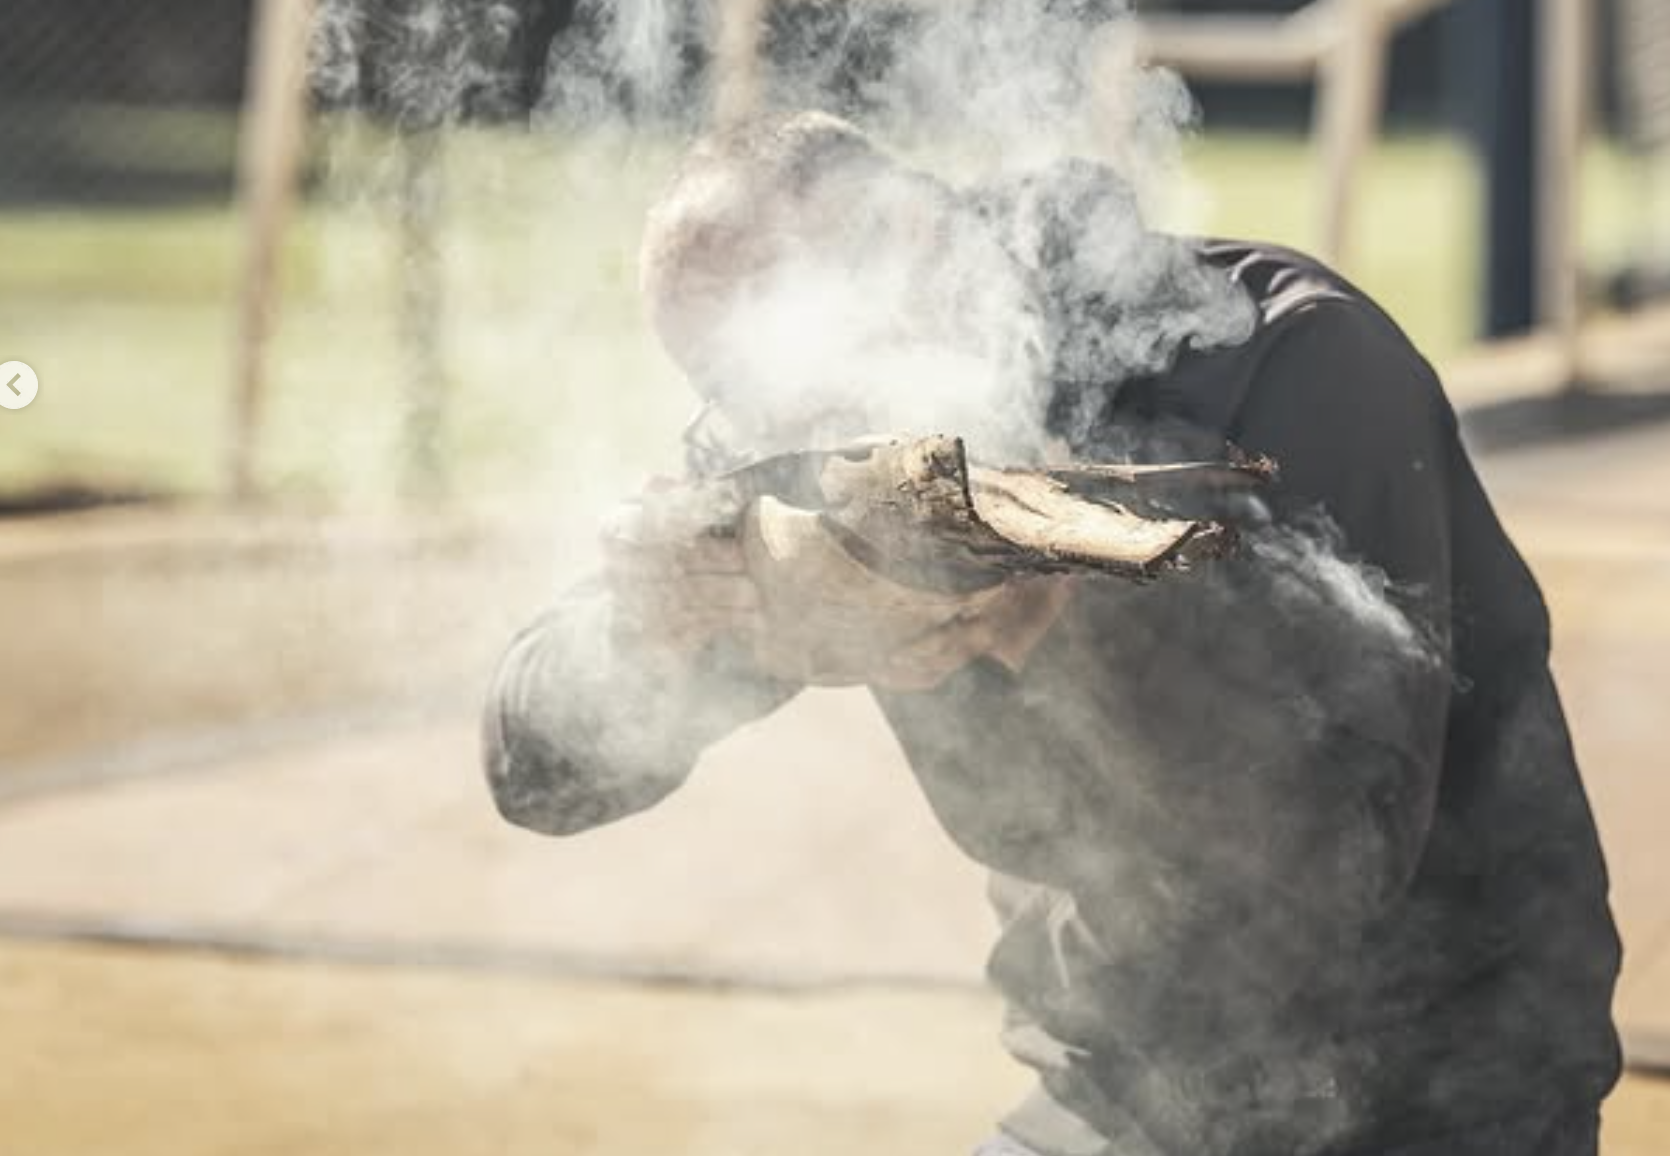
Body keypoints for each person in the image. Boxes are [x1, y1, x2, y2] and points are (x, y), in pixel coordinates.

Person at [483, 110, 1621, 1156]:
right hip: (1116, 1090)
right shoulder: (803, 432)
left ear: (918, 243)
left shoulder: (1284, 361)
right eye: (730, 394)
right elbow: (535, 773)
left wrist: (1034, 595)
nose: (781, 427)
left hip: (1440, 1097)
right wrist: (649, 633)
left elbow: (1333, 867)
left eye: (784, 360)